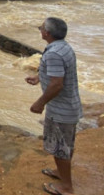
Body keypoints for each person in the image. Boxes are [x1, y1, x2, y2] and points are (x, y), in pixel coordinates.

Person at [25, 17, 82, 195]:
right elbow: (57, 74)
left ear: (47, 33)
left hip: (60, 111)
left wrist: (40, 102)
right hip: (68, 107)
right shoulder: (63, 47)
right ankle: (61, 174)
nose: (40, 29)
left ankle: (66, 187)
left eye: (41, 27)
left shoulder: (53, 53)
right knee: (64, 146)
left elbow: (57, 84)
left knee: (60, 149)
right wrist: (39, 77)